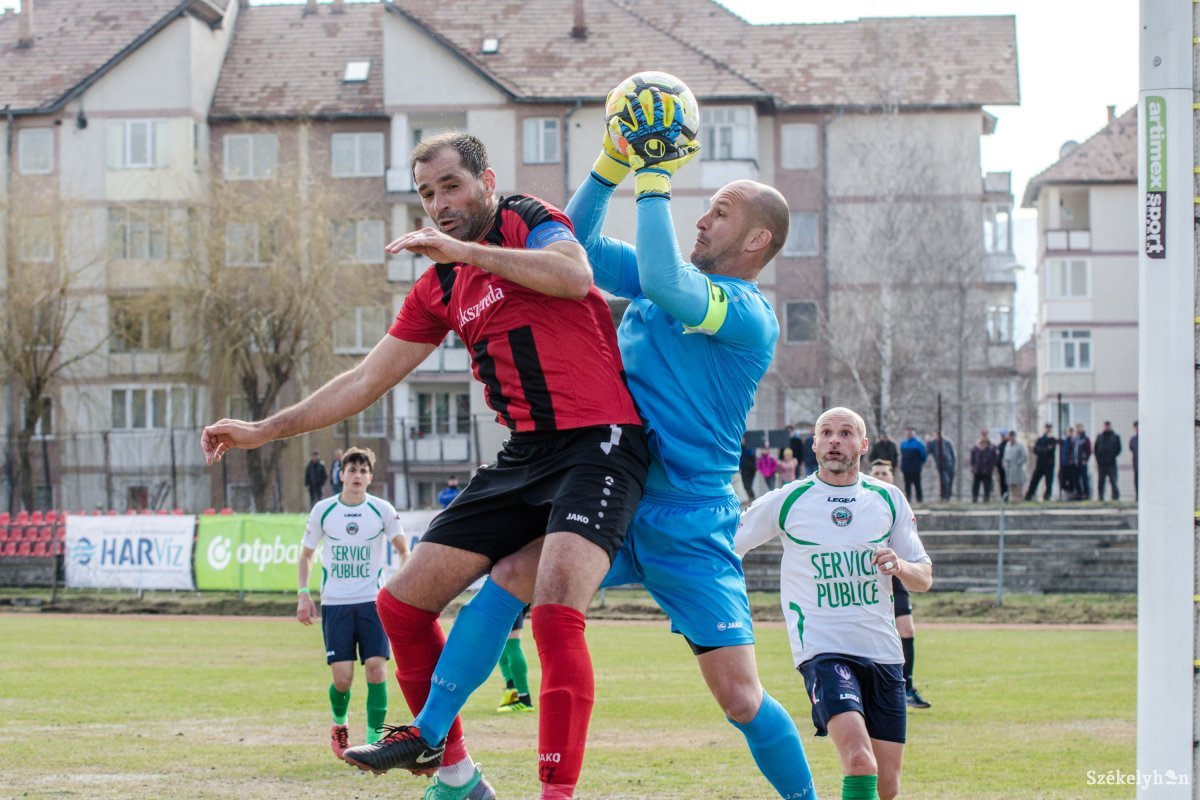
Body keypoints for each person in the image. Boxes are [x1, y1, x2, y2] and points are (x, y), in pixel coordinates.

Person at [202, 131, 650, 800]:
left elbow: (575, 276)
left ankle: (556, 793)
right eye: (426, 194)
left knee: (555, 607)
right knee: (402, 606)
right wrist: (266, 428)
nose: (439, 204)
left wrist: (467, 251)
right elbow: (364, 379)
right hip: (525, 455)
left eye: (450, 186)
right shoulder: (441, 283)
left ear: (486, 180)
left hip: (601, 440)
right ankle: (456, 774)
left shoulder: (525, 217)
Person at [556, 90, 817, 799]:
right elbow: (567, 246)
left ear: (757, 239)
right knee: (508, 581)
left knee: (740, 697)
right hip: (611, 493)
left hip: (692, 521)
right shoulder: (664, 274)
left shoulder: (748, 314)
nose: (703, 217)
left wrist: (655, 176)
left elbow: (668, 281)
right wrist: (611, 166)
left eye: (722, 211)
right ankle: (446, 758)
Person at [736, 407, 933, 800]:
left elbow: (924, 576)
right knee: (860, 761)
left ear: (862, 445)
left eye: (845, 433)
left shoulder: (887, 498)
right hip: (823, 650)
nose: (834, 440)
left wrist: (900, 566)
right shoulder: (789, 499)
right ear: (814, 442)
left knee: (887, 788)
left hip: (882, 652)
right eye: (826, 432)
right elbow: (727, 547)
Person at [296, 447, 409, 761]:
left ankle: (374, 742)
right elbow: (305, 556)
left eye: (363, 471)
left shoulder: (382, 510)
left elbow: (404, 552)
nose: (357, 475)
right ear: (341, 474)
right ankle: (339, 725)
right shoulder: (324, 510)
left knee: (376, 669)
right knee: (342, 678)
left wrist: (400, 590)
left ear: (370, 478)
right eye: (352, 469)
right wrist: (303, 594)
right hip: (336, 605)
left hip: (373, 603)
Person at [868, 459, 931, 709]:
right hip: (869, 578)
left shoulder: (897, 503)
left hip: (897, 575)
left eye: (885, 473)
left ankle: (907, 687)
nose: (881, 476)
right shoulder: (863, 501)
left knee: (907, 630)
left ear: (892, 477)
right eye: (876, 473)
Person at [494, 605, 534, 713]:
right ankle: (512, 688)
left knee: (512, 642)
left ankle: (524, 699)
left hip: (509, 592)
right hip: (514, 592)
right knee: (500, 639)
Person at [1025, 424, 1057, 502]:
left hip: (1049, 464)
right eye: (1047, 428)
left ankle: (1047, 495)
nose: (1048, 429)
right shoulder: (1040, 439)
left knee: (1049, 481)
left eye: (1049, 428)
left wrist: (1043, 450)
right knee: (1035, 479)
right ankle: (1029, 495)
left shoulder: (1052, 439)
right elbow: (1036, 450)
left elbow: (1051, 449)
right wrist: (1045, 449)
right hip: (1040, 463)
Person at [1093, 420, 1122, 501]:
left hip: (1111, 463)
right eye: (1106, 425)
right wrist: (1098, 459)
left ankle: (1115, 497)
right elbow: (1095, 449)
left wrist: (1112, 456)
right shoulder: (1099, 437)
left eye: (1108, 425)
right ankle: (1100, 496)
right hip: (1102, 464)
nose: (1107, 427)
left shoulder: (1115, 437)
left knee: (1113, 481)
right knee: (1101, 481)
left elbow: (1119, 449)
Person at [898, 427, 927, 503]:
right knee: (907, 485)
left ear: (914, 433)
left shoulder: (919, 443)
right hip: (906, 467)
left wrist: (919, 464)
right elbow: (901, 455)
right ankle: (908, 500)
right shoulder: (903, 443)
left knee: (917, 484)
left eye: (911, 432)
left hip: (915, 467)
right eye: (907, 432)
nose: (909, 434)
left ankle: (919, 500)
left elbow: (923, 456)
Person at [970, 430, 998, 503]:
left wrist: (991, 467)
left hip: (987, 470)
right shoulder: (976, 446)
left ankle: (986, 499)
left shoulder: (992, 446)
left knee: (987, 486)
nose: (984, 437)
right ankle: (975, 499)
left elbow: (995, 458)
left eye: (985, 435)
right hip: (978, 469)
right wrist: (973, 466)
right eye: (983, 435)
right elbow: (973, 457)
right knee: (976, 486)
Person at [1001, 430, 1028, 502]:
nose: (1011, 438)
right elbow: (1005, 456)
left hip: (1018, 469)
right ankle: (1013, 498)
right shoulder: (1007, 445)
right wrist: (1005, 463)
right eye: (1010, 436)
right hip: (1010, 468)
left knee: (1018, 484)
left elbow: (1024, 456)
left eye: (1012, 436)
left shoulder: (1020, 445)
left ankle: (1019, 499)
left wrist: (1018, 463)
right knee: (1011, 484)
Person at [928, 431, 955, 502]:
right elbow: (927, 451)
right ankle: (943, 496)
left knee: (950, 481)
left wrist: (953, 464)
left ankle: (948, 497)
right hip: (940, 465)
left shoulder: (947, 442)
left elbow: (952, 454)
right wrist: (928, 442)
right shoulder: (933, 443)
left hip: (949, 464)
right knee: (945, 481)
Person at [1073, 423, 1093, 500]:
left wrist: (1085, 459)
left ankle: (1086, 494)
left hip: (1082, 462)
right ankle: (1079, 494)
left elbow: (1089, 450)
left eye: (1080, 427)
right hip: (1075, 462)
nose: (1078, 429)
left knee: (1084, 479)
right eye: (1077, 427)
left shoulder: (1085, 439)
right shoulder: (1075, 439)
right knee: (1076, 479)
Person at [1058, 426, 1076, 500]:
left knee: (1072, 480)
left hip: (1072, 465)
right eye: (1069, 432)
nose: (1070, 433)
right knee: (1061, 479)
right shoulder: (1064, 441)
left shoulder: (1074, 441)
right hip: (1064, 464)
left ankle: (1071, 494)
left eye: (1071, 432)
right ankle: (1066, 492)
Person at [739, 435, 759, 503]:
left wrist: (744, 445)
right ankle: (751, 498)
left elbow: (751, 453)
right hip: (744, 468)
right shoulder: (740, 447)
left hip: (751, 469)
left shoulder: (750, 446)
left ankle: (752, 498)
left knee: (748, 485)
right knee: (745, 485)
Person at [1129, 421, 1139, 499]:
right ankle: (1137, 496)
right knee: (1136, 481)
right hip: (1136, 465)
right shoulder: (1133, 439)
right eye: (1136, 427)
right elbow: (1131, 448)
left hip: (1145, 466)